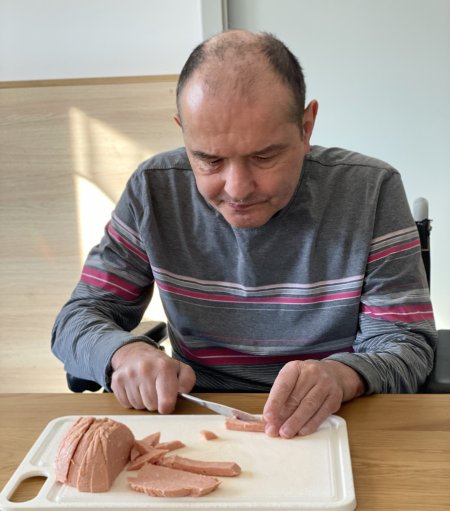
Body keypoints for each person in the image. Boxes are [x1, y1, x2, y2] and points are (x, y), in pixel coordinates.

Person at [51, 30, 436, 438]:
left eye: (264, 156)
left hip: (331, 420)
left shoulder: (370, 191)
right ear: (183, 132)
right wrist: (123, 353)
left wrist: (342, 376)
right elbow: (76, 319)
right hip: (199, 417)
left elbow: (405, 343)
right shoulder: (153, 190)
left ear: (306, 128)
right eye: (209, 159)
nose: (237, 189)